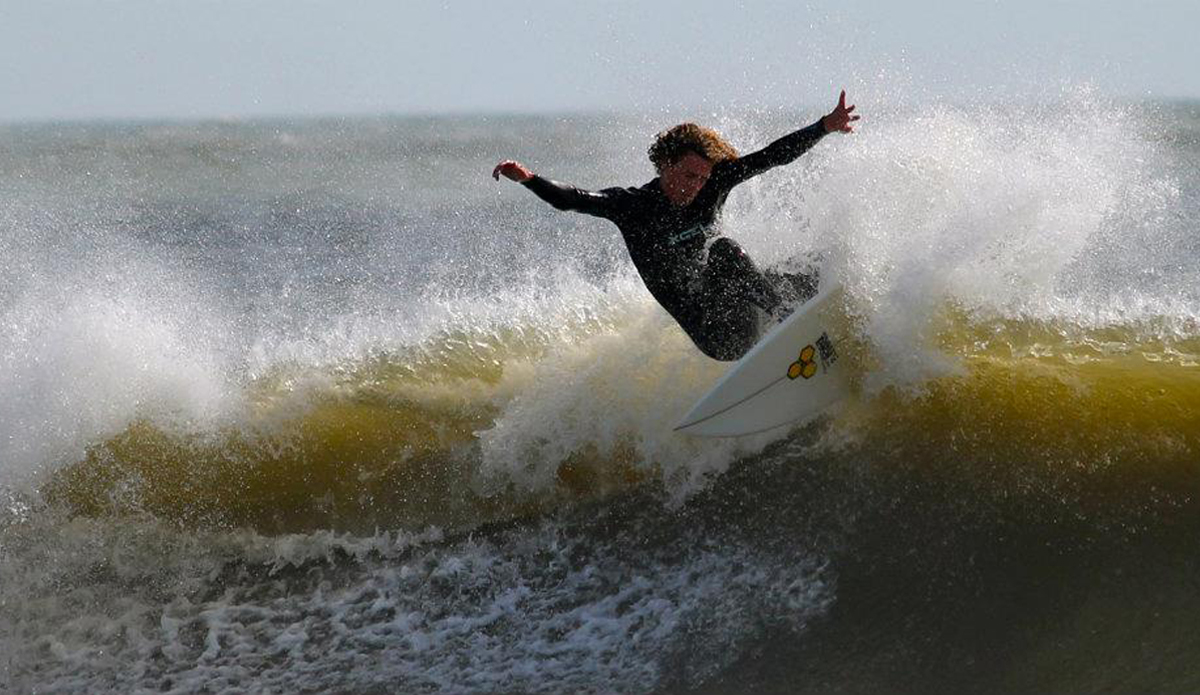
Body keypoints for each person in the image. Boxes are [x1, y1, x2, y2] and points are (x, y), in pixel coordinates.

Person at [493, 91, 859, 361]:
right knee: (723, 251)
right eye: (688, 175)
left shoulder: (712, 183)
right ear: (665, 164)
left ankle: (846, 321)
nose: (696, 185)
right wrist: (528, 178)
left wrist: (824, 127)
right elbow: (573, 198)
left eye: (702, 178)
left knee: (815, 266)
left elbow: (770, 157)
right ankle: (791, 326)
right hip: (718, 334)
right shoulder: (634, 206)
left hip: (747, 306)